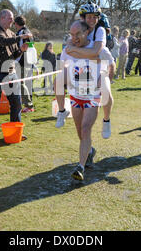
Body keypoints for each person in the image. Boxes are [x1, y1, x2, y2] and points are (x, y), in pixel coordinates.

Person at [57, 20, 113, 180]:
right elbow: (64, 68)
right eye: (71, 35)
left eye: (78, 34)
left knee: (86, 128)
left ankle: (80, 167)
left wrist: (104, 78)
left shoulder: (98, 48)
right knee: (80, 132)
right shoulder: (67, 49)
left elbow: (110, 64)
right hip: (75, 96)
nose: (74, 38)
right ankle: (89, 151)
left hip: (92, 96)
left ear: (86, 32)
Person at [60, 0, 115, 139]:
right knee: (59, 80)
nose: (92, 20)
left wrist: (74, 51)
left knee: (106, 91)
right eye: (89, 17)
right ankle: (62, 111)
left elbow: (96, 52)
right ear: (82, 18)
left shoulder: (99, 30)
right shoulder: (79, 27)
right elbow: (69, 43)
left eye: (95, 17)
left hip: (103, 62)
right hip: (86, 67)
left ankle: (107, 120)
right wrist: (71, 48)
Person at [0, 9, 32, 142]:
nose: (12, 20)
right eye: (10, 18)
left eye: (12, 18)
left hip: (11, 72)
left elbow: (13, 54)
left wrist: (21, 50)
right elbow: (3, 41)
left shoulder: (12, 33)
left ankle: (15, 130)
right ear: (2, 18)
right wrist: (20, 37)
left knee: (17, 103)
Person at [14, 16, 35, 113]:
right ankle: (24, 102)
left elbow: (29, 45)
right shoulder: (27, 31)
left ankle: (29, 106)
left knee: (21, 83)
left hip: (23, 61)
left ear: (16, 24)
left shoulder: (23, 32)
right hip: (27, 60)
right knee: (23, 83)